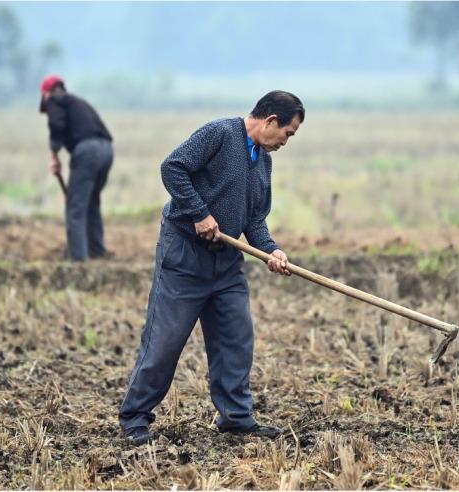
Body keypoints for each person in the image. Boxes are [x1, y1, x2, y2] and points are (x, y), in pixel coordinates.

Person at [118, 90, 304, 446]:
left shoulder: (263, 161)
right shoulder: (219, 134)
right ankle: (135, 418)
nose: (285, 142)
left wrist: (272, 250)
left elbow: (255, 220)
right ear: (270, 121)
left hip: (226, 265)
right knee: (164, 343)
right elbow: (172, 167)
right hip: (185, 257)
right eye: (287, 133)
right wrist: (199, 213)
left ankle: (235, 417)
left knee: (236, 338)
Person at [39, 75, 114, 262]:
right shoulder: (77, 102)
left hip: (88, 152)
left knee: (75, 208)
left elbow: (56, 124)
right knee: (91, 201)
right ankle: (97, 251)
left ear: (46, 93)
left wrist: (54, 154)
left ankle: (78, 262)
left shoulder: (54, 100)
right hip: (106, 150)